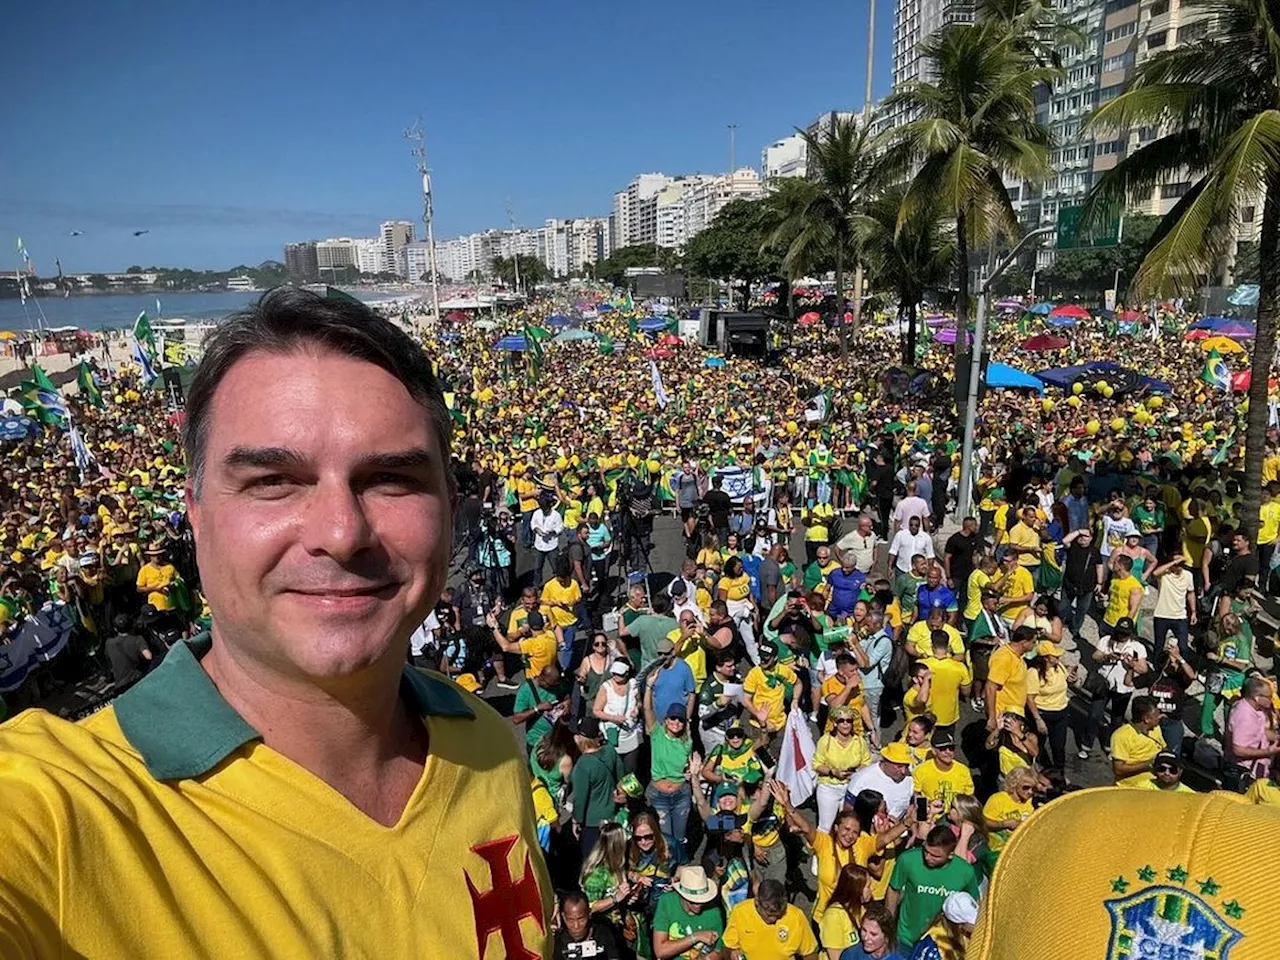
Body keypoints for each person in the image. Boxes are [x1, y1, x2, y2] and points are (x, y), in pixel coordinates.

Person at [0, 290, 553, 955]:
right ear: (196, 514)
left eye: (389, 478)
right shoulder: (56, 813)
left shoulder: (490, 747)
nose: (341, 533)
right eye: (273, 480)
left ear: (450, 506)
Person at [885, 824, 980, 952]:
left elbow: (975, 902)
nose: (928, 857)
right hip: (906, 938)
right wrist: (888, 925)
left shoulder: (966, 871)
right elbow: (893, 890)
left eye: (935, 856)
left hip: (940, 944)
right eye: (926, 851)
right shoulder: (908, 860)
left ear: (950, 855)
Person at [645, 688, 695, 863]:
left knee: (680, 836)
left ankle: (682, 864)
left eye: (680, 719)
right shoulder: (656, 734)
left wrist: (690, 773)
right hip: (658, 796)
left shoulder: (687, 742)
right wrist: (649, 687)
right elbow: (647, 710)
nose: (676, 722)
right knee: (665, 836)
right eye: (672, 718)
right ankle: (666, 867)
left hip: (681, 794)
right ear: (665, 720)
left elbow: (689, 765)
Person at [722, 878, 819, 959]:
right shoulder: (740, 912)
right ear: (757, 902)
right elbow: (727, 948)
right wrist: (731, 954)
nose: (773, 919)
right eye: (768, 915)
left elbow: (810, 954)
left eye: (778, 915)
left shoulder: (796, 916)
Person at [813, 705, 874, 831]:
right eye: (841, 721)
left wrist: (855, 772)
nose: (845, 724)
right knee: (826, 826)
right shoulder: (825, 741)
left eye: (849, 721)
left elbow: (866, 762)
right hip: (829, 786)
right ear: (835, 723)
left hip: (851, 787)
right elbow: (817, 764)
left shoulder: (859, 741)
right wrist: (833, 772)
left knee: (848, 825)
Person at [570, 715, 624, 854]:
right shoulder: (610, 750)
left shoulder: (583, 765)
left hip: (593, 823)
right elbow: (621, 779)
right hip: (613, 817)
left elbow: (580, 800)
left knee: (594, 864)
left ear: (581, 738)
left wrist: (576, 821)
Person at [1024, 640, 1077, 778]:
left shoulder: (1059, 667)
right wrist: (1038, 719)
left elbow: (1066, 682)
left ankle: (1060, 775)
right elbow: (1030, 698)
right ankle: (1035, 773)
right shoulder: (1034, 673)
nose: (1058, 658)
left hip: (1061, 712)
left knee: (1059, 747)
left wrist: (1072, 680)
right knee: (1037, 746)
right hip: (1043, 713)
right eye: (1055, 656)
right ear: (1046, 657)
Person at [652, 865, 726, 960]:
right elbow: (660, 952)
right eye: (692, 901)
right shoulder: (667, 902)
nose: (698, 905)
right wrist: (695, 937)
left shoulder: (714, 913)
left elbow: (719, 951)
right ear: (682, 895)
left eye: (702, 900)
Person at [1228, 675, 1280, 787]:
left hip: (1258, 770)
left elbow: (1260, 732)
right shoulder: (1243, 715)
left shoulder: (1258, 710)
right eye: (1269, 697)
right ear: (1257, 697)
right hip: (1243, 773)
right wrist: (1268, 752)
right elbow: (1238, 750)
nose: (1271, 701)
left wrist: (1277, 737)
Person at [843, 741, 915, 820]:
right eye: (899, 766)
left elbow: (920, 800)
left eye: (906, 766)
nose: (903, 771)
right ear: (886, 761)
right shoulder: (862, 779)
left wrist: (920, 820)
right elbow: (848, 811)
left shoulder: (912, 777)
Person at [911, 730, 974, 815]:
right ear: (934, 751)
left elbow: (968, 797)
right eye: (943, 748)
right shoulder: (921, 770)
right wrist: (923, 817)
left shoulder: (963, 770)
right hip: (930, 815)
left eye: (951, 748)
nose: (948, 752)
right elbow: (917, 794)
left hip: (956, 817)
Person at [1110, 696, 1167, 786]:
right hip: (1130, 788)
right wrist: (1148, 765)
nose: (1161, 717)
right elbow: (1118, 770)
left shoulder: (1156, 729)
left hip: (1154, 786)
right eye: (1157, 715)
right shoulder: (1121, 735)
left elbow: (1163, 748)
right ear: (1146, 719)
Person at [556, 890, 624, 960]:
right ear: (563, 917)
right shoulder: (558, 942)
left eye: (581, 919)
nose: (576, 926)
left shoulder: (602, 934)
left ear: (589, 914)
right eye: (570, 920)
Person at [981, 766, 1036, 852]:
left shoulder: (1030, 802)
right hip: (997, 849)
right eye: (1026, 787)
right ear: (1014, 783)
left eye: (1033, 789)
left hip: (1019, 848)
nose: (1030, 792)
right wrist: (1004, 824)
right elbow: (984, 822)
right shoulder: (998, 799)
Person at [103, 612, 154, 693]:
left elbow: (110, 661)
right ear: (132, 625)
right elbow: (148, 656)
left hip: (120, 687)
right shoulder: (137, 639)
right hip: (137, 681)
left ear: (115, 629)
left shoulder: (109, 644)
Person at [531, 492, 566, 585]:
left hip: (552, 546)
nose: (544, 510)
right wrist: (537, 529)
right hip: (539, 545)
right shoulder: (537, 513)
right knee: (537, 568)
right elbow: (533, 524)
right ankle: (537, 586)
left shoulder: (556, 515)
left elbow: (560, 527)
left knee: (555, 568)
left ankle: (557, 585)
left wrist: (552, 532)